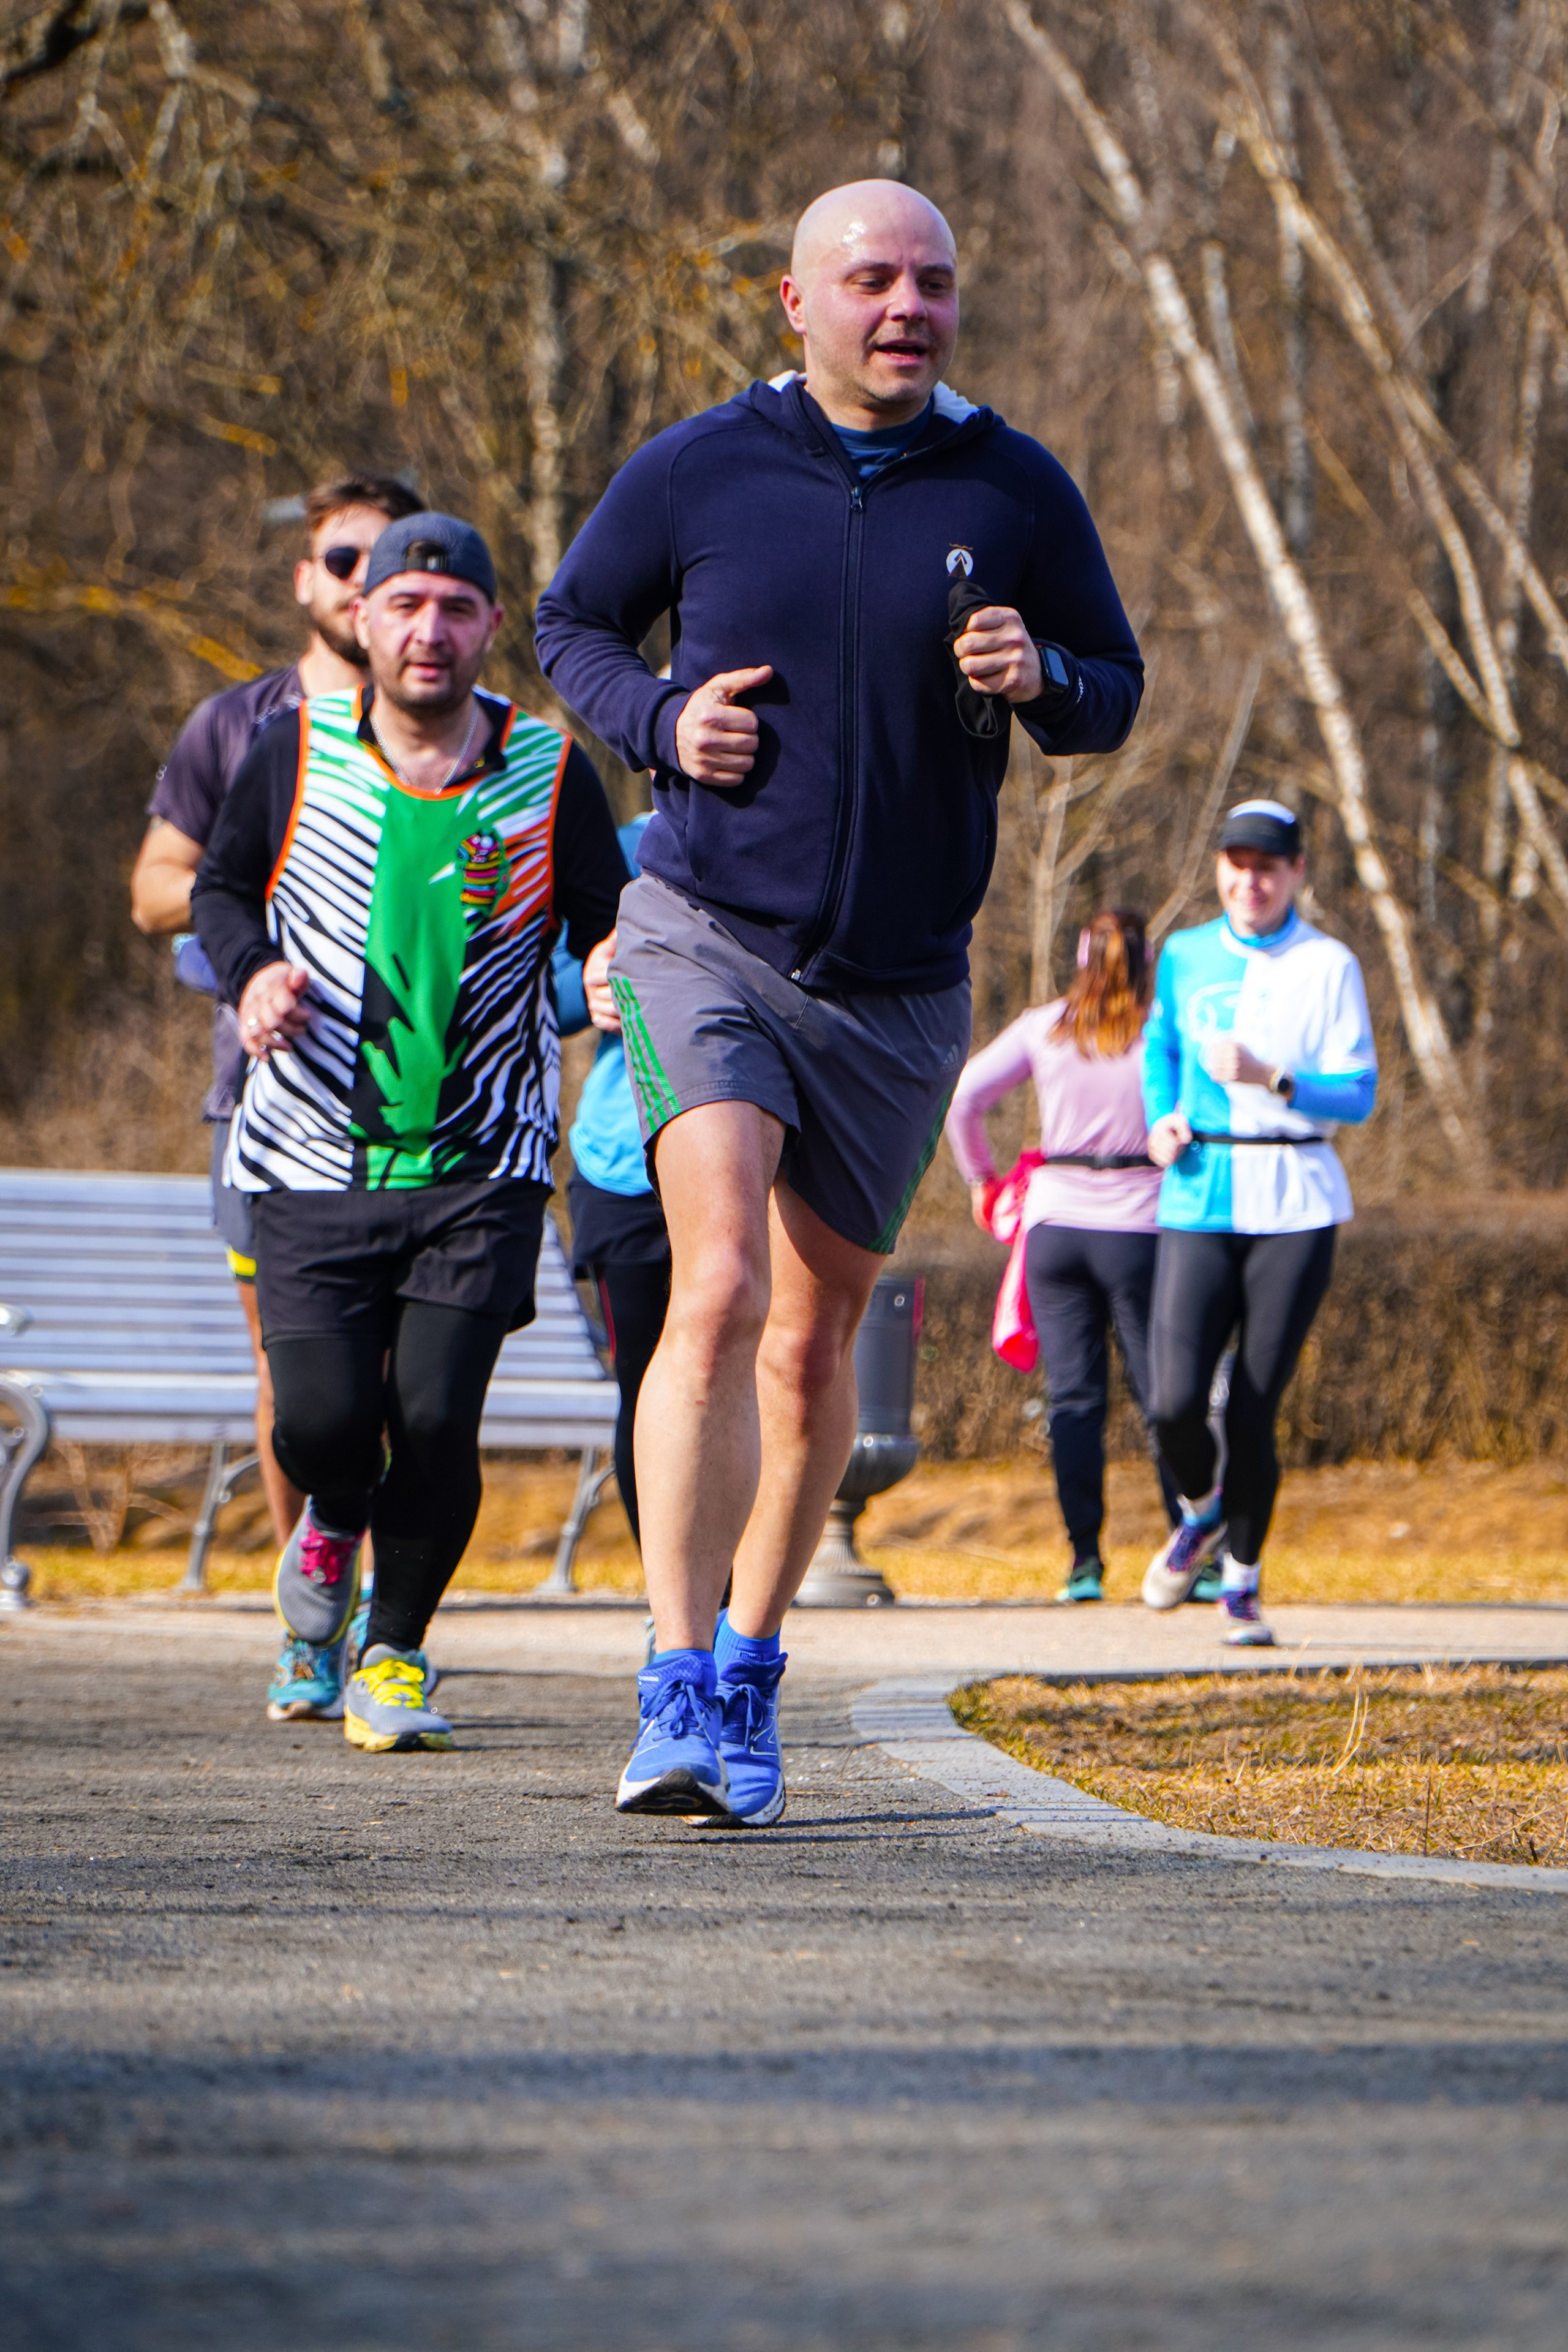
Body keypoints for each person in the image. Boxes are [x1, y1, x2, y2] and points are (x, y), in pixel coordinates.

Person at [536, 178, 1143, 1822]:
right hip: (707, 936)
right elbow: (571, 624)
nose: (907, 307)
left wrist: (1047, 682)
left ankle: (745, 1667)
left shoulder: (1012, 485)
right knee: (718, 1285)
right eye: (871, 279)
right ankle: (670, 1684)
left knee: (813, 1350)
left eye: (933, 281)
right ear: (795, 305)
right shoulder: (701, 466)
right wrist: (660, 725)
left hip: (896, 989)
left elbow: (1113, 691)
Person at [192, 513, 625, 1752]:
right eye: (404, 606)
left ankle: (394, 1654)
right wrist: (252, 971)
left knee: (435, 1421)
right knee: (321, 1422)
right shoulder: (289, 751)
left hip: (479, 1158)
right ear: (360, 620)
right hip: (308, 1152)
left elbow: (603, 920)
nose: (428, 631)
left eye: (454, 609)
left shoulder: (547, 772)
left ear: (491, 626)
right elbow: (221, 887)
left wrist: (602, 969)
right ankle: (331, 1512)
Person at [129, 472, 423, 1722]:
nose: (364, 581)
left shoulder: (467, 726)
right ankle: (309, 1614)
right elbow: (157, 885)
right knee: (290, 1377)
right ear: (307, 580)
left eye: (392, 560)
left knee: (412, 1382)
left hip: (429, 1108)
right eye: (343, 559)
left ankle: (386, 1618)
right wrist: (244, 958)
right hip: (270, 1099)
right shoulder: (236, 725)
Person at [1141, 799, 1378, 1646]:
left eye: (1270, 866)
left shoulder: (1330, 964)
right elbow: (1159, 1049)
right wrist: (1161, 1115)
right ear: (1219, 869)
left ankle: (1241, 1584)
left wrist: (1276, 1077)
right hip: (1199, 1188)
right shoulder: (1184, 953)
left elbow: (1359, 1092)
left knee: (1252, 1408)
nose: (1252, 880)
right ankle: (1200, 1515)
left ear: (1297, 873)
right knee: (1171, 1402)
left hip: (1296, 1195)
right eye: (1238, 864)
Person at [945, 910, 1182, 1603]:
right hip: (1141, 1223)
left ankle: (1084, 1562)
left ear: (1081, 960)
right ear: (1146, 964)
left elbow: (964, 1099)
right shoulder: (1161, 1030)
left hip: (1055, 1227)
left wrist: (981, 1179)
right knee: (1160, 1397)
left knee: (1074, 1400)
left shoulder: (1043, 1026)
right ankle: (1185, 1546)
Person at [552, 813, 668, 1548]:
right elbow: (551, 988)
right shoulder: (622, 845)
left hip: (777, 1160)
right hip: (628, 1161)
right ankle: (680, 1610)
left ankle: (742, 1616)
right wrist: (589, 977)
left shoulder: (812, 822)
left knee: (758, 1383)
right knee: (649, 1385)